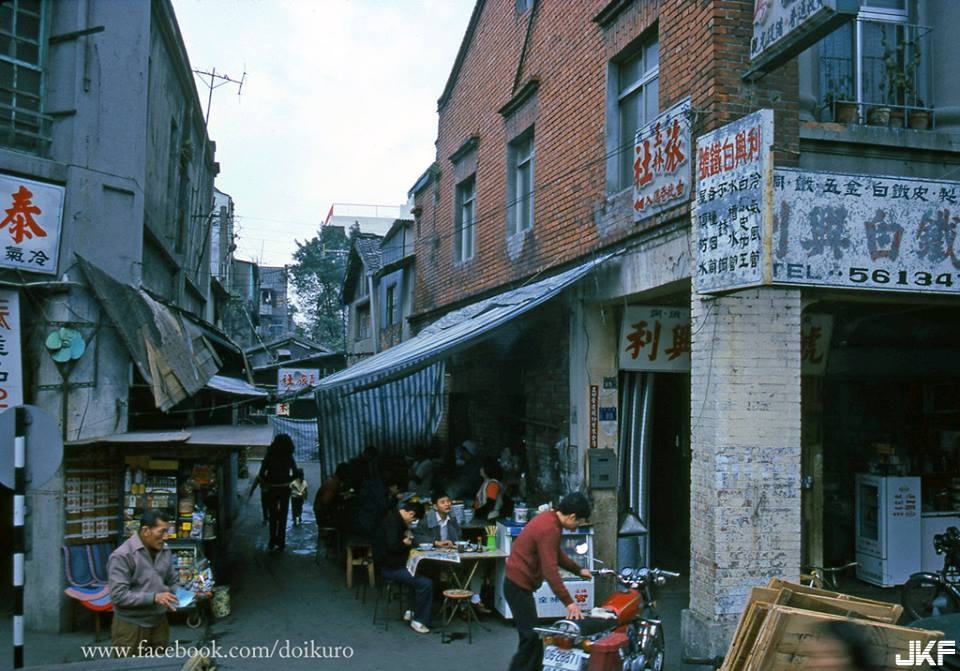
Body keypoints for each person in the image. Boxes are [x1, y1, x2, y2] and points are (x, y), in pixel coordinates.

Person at [503, 492, 593, 671]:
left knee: (533, 636)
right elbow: (550, 571)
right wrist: (569, 603)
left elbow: (556, 554)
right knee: (530, 637)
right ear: (572, 516)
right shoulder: (550, 528)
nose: (575, 528)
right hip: (518, 585)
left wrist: (578, 569)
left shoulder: (549, 518)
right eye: (578, 523)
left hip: (516, 583)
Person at [107, 509, 178, 656]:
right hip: (131, 626)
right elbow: (119, 596)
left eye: (167, 531)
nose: (165, 537)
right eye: (161, 532)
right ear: (145, 530)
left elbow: (172, 581)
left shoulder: (165, 550)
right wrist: (154, 597)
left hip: (159, 623)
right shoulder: (122, 556)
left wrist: (192, 594)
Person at [373, 500, 433, 634]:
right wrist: (405, 543)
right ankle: (419, 620)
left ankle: (411, 610)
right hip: (390, 568)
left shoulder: (394, 518)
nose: (411, 523)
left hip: (392, 565)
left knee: (421, 572)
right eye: (413, 520)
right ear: (410, 514)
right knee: (426, 583)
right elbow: (393, 546)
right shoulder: (393, 522)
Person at [259, 433, 298, 552]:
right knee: (283, 515)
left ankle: (272, 540)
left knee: (273, 515)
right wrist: (288, 480)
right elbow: (295, 473)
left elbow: (261, 473)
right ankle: (281, 542)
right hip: (285, 489)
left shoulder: (269, 455)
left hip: (271, 489)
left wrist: (267, 482)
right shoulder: (289, 456)